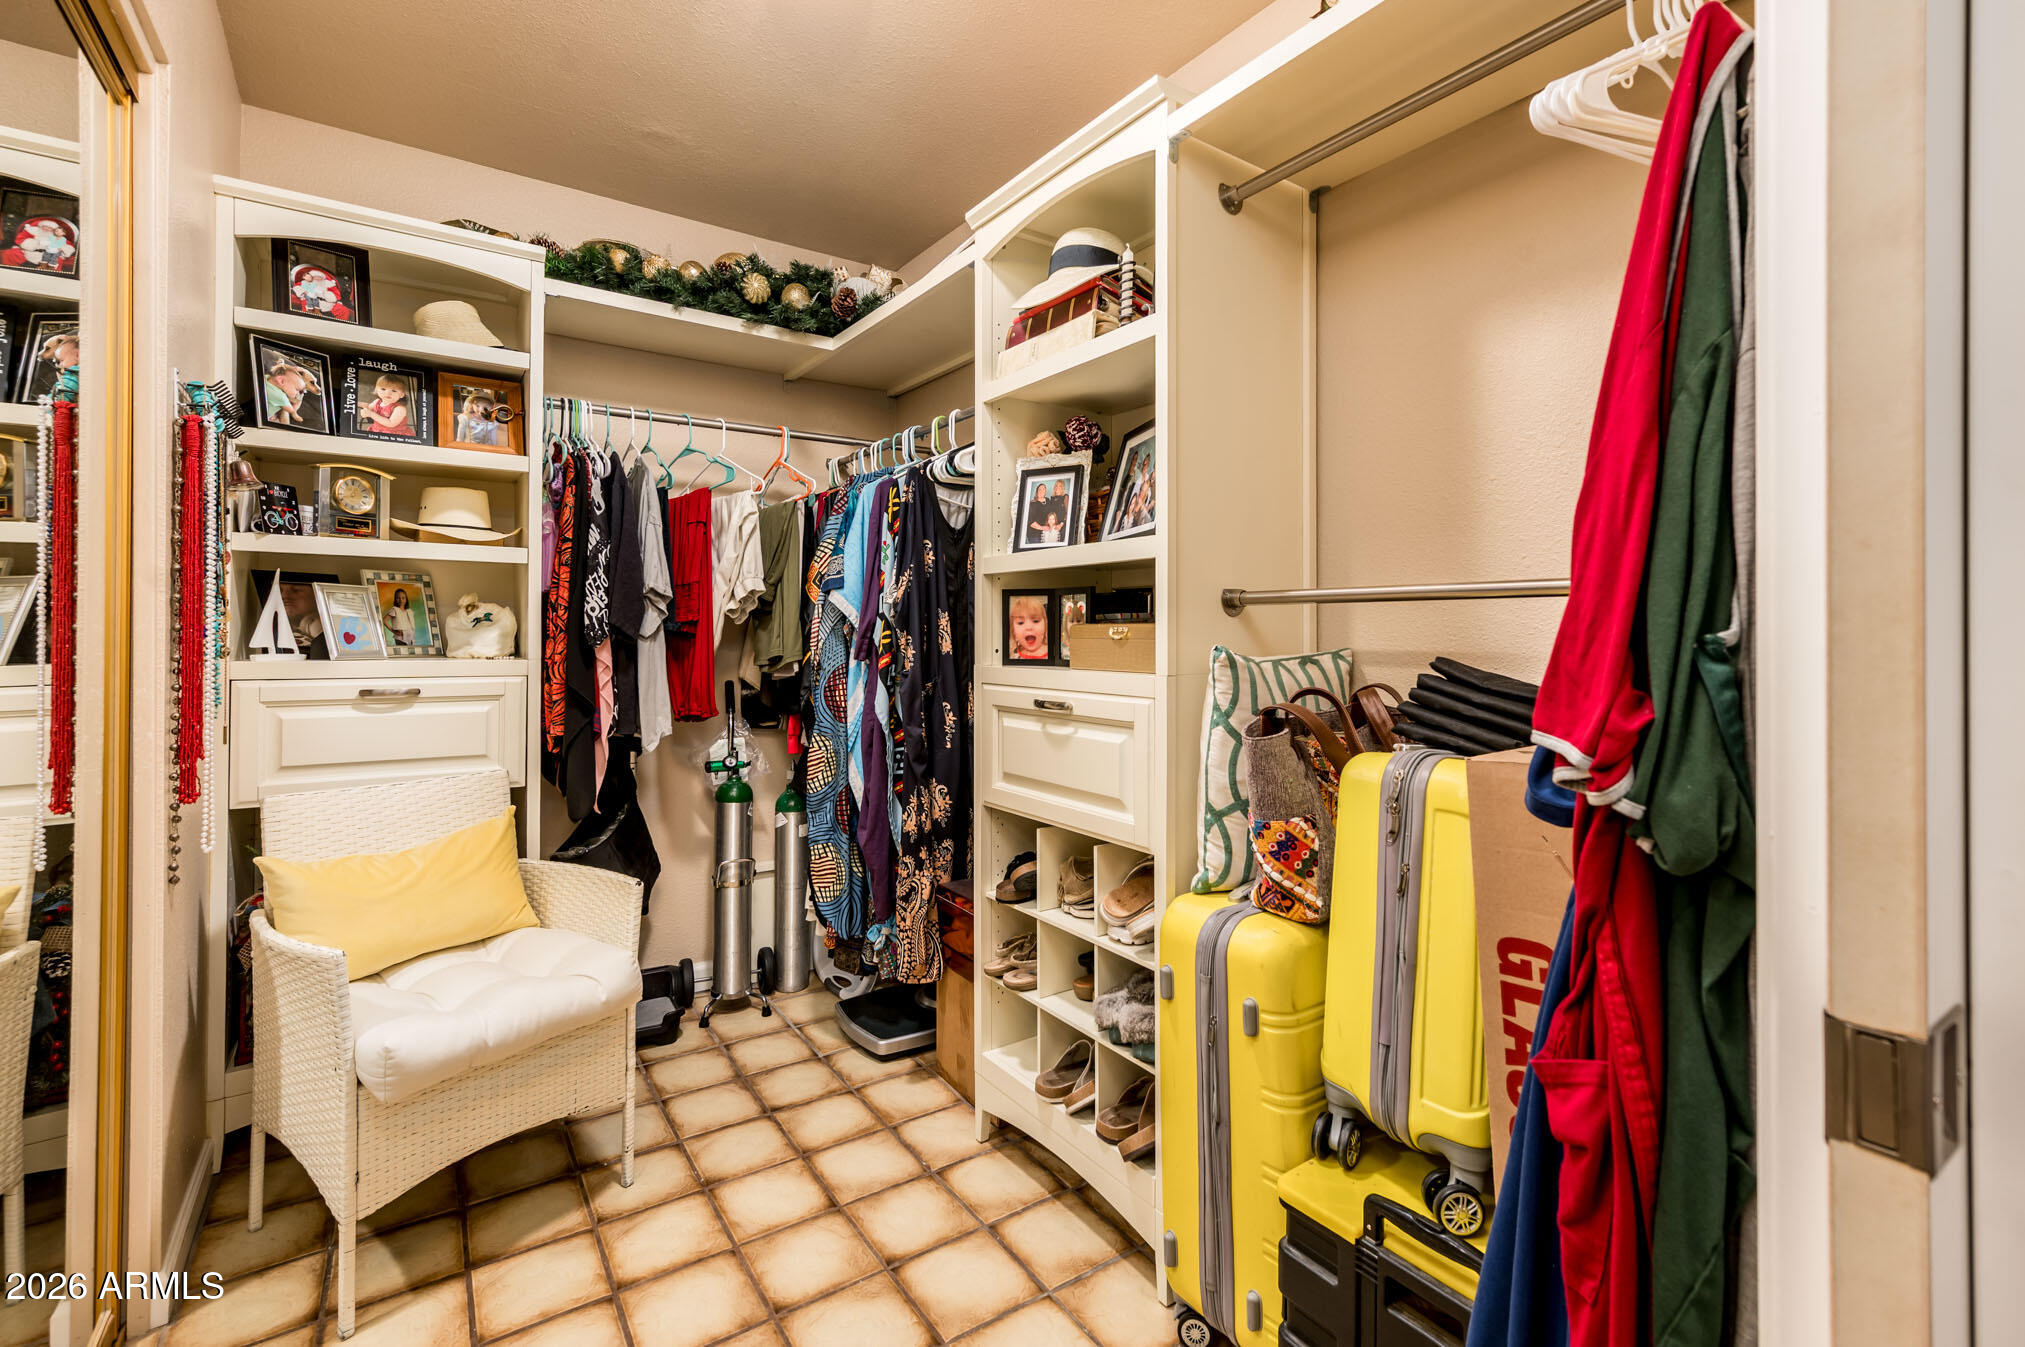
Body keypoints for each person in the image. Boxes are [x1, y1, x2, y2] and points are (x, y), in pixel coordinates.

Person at [358, 372, 414, 437]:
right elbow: (368, 406)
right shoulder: (377, 402)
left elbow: (391, 423)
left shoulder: (400, 408)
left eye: (394, 391)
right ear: (376, 390)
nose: (388, 393)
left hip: (394, 435)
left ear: (402, 395)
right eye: (383, 389)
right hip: (377, 430)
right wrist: (356, 403)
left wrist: (371, 414)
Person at [263, 356, 310, 427]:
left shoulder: (266, 377)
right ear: (281, 381)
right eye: (297, 389)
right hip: (266, 417)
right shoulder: (281, 397)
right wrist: (299, 399)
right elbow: (291, 410)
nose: (297, 393)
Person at [1008, 593, 1049, 661]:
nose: (1029, 627)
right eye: (1020, 622)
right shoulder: (1013, 655)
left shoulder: (1053, 654)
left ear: (1045, 626)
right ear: (1013, 631)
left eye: (1035, 621)